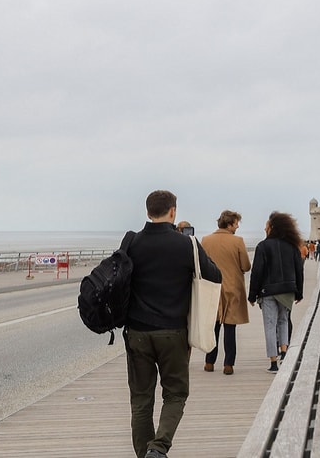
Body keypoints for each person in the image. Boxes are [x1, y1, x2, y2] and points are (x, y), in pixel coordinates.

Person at [124, 190, 222, 458]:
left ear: (147, 212)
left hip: (137, 333)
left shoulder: (132, 242)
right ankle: (159, 447)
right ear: (173, 212)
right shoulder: (186, 245)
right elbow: (214, 275)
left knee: (141, 399)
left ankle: (145, 454)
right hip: (173, 332)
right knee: (175, 394)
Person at [248, 211, 304, 373]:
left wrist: (252, 295)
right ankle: (284, 352)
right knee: (283, 321)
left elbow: (257, 272)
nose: (264, 229)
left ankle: (273, 362)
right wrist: (299, 292)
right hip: (287, 290)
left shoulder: (263, 246)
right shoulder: (292, 246)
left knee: (270, 325)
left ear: (272, 227)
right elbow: (298, 270)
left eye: (266, 226)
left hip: (268, 292)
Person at [199, 210, 251, 376]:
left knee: (213, 327)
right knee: (230, 328)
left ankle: (209, 361)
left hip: (212, 288)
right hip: (232, 288)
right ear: (229, 224)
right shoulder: (238, 241)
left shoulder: (206, 240)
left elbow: (201, 264)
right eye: (236, 224)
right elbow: (246, 266)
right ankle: (228, 364)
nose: (237, 227)